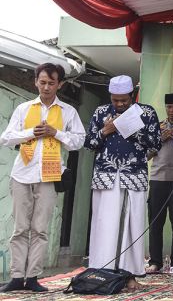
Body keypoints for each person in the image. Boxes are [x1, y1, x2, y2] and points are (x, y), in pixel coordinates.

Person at [0, 63, 85, 293]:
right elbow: (5, 138)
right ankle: (17, 276)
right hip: (22, 173)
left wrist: (55, 133)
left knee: (40, 229)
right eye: (43, 82)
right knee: (20, 228)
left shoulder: (68, 111)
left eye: (51, 83)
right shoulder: (24, 109)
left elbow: (79, 140)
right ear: (36, 81)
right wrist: (30, 132)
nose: (46, 87)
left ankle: (33, 276)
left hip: (49, 174)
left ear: (60, 84)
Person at [85, 75, 161, 290]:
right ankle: (101, 272)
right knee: (104, 225)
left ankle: (128, 275)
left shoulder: (145, 113)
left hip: (133, 176)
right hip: (105, 176)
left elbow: (156, 142)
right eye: (115, 100)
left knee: (131, 225)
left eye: (124, 100)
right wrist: (104, 131)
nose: (119, 104)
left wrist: (130, 128)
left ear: (132, 96)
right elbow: (89, 144)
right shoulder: (101, 112)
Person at [146, 93, 173, 274]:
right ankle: (155, 262)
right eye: (169, 107)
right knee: (155, 222)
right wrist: (160, 139)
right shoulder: (157, 127)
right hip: (157, 179)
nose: (172, 110)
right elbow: (145, 155)